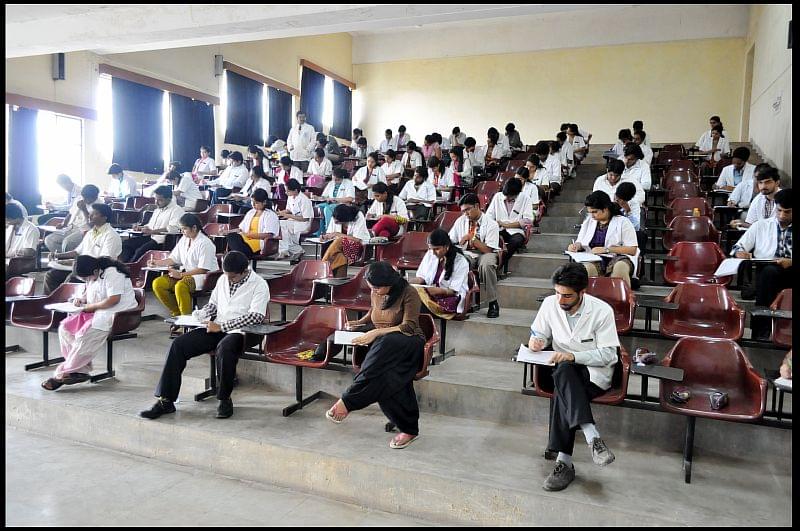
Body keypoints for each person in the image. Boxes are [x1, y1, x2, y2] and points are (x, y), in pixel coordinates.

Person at [140, 251, 269, 420]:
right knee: (179, 345)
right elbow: (213, 305)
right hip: (217, 326)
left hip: (244, 331)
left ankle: (224, 399)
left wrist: (222, 326)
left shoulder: (259, 284)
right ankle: (166, 400)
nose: (229, 279)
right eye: (226, 275)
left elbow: (256, 316)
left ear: (245, 271)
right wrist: (201, 314)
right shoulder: (223, 279)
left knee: (225, 348)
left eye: (232, 277)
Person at [529, 262, 619, 491]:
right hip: (563, 370)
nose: (560, 300)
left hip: (593, 373)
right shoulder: (550, 304)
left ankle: (564, 463)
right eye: (557, 293)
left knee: (564, 384)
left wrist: (573, 356)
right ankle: (592, 437)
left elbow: (609, 354)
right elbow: (538, 332)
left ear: (582, 292)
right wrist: (537, 341)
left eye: (567, 296)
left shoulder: (602, 311)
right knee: (564, 373)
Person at [325, 261, 426, 449]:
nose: (374, 291)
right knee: (387, 378)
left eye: (378, 288)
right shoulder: (376, 292)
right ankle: (409, 429)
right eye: (372, 288)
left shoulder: (409, 292)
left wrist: (376, 332)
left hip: (408, 342)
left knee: (386, 342)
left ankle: (349, 398)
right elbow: (374, 313)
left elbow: (409, 326)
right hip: (382, 349)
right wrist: (359, 323)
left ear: (390, 282)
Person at [41, 256, 138, 391]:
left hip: (117, 313)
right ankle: (79, 370)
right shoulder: (92, 275)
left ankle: (64, 373)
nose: (86, 280)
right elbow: (88, 294)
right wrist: (80, 300)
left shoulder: (113, 274)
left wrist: (90, 307)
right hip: (95, 311)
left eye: (86, 278)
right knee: (65, 328)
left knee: (85, 335)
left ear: (94, 271)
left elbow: (113, 300)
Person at [731, 188, 792, 340]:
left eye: (787, 212)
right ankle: (761, 332)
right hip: (768, 270)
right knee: (768, 273)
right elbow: (738, 247)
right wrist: (740, 252)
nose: (782, 216)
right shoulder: (761, 225)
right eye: (779, 211)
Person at [150, 214, 218, 325]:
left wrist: (181, 275)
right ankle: (177, 314)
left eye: (184, 228)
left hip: (203, 277)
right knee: (158, 284)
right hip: (185, 273)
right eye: (181, 229)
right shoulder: (184, 239)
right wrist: (157, 263)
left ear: (194, 228)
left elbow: (203, 269)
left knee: (180, 286)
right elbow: (174, 258)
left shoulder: (205, 243)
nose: (182, 231)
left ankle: (186, 322)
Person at [44, 203, 123, 294]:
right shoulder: (91, 232)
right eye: (90, 213)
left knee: (71, 279)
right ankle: (51, 300)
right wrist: (57, 255)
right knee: (50, 275)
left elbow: (105, 260)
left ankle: (62, 300)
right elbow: (77, 252)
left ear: (104, 218)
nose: (90, 216)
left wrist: (77, 263)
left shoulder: (111, 236)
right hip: (83, 267)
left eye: (95, 214)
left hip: (97, 272)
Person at [568, 191, 640, 287]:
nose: (592, 216)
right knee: (587, 269)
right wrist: (576, 246)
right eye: (590, 212)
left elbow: (632, 250)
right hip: (594, 258)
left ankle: (621, 295)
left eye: (595, 212)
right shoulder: (589, 222)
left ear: (605, 209)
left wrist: (607, 249)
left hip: (619, 258)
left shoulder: (623, 222)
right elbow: (580, 241)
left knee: (620, 268)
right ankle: (589, 295)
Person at [449, 193, 501, 318]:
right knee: (458, 262)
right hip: (467, 252)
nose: (465, 214)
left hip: (485, 253)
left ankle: (493, 302)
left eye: (467, 210)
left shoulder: (491, 224)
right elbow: (451, 240)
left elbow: (488, 249)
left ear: (477, 206)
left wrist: (471, 238)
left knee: (487, 265)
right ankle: (460, 301)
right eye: (463, 211)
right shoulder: (460, 221)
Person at [407, 229, 470, 319]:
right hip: (431, 293)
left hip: (450, 297)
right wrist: (407, 283)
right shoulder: (430, 254)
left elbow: (453, 291)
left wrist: (436, 291)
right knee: (408, 295)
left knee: (414, 304)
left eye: (437, 249)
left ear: (446, 247)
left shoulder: (461, 262)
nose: (433, 252)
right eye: (431, 249)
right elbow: (421, 278)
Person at [119, 186, 184, 263]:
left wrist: (152, 231)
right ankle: (124, 265)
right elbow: (150, 226)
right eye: (155, 199)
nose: (156, 202)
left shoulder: (176, 210)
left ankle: (131, 267)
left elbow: (173, 229)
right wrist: (140, 227)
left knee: (139, 251)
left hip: (162, 241)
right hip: (151, 237)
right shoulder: (157, 210)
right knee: (126, 244)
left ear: (169, 199)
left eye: (160, 200)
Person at [485, 178, 534, 268]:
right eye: (505, 195)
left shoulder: (525, 198)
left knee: (516, 241)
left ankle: (498, 263)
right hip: (498, 229)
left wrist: (506, 225)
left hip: (516, 231)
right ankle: (490, 261)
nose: (507, 198)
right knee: (490, 238)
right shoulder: (498, 196)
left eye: (510, 196)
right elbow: (488, 216)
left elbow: (528, 220)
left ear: (517, 193)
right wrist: (495, 223)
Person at [44, 184, 100, 254]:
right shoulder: (79, 198)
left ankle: (67, 257)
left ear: (94, 197)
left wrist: (84, 210)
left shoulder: (99, 205)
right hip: (71, 227)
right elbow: (70, 213)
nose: (84, 200)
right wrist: (63, 224)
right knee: (49, 239)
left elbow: (91, 225)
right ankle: (64, 256)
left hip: (84, 230)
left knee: (67, 242)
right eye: (83, 197)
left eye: (86, 198)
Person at [321, 204, 370, 277]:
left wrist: (338, 234)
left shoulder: (358, 216)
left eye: (337, 221)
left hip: (357, 248)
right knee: (340, 257)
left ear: (345, 218)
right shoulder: (336, 216)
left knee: (339, 240)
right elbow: (330, 233)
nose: (335, 222)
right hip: (338, 248)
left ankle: (322, 266)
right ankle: (339, 281)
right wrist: (325, 237)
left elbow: (358, 240)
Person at [276, 179, 313, 261]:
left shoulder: (304, 200)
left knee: (282, 225)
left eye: (288, 191)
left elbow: (305, 218)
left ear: (295, 190)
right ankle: (296, 250)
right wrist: (279, 213)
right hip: (293, 221)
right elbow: (289, 210)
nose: (286, 193)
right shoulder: (290, 197)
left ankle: (284, 251)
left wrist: (288, 216)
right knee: (280, 226)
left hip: (304, 223)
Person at [317, 168, 356, 235]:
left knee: (327, 209)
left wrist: (336, 199)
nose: (335, 181)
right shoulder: (331, 183)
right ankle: (320, 232)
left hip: (343, 204)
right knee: (318, 208)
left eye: (337, 180)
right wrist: (318, 197)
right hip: (330, 203)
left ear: (342, 178)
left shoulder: (348, 183)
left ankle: (329, 231)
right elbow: (324, 196)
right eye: (333, 179)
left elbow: (350, 199)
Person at [5, 203, 38, 279]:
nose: (6, 221)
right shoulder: (10, 227)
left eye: (6, 219)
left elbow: (30, 252)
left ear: (15, 217)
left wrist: (12, 252)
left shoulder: (31, 229)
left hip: (17, 261)